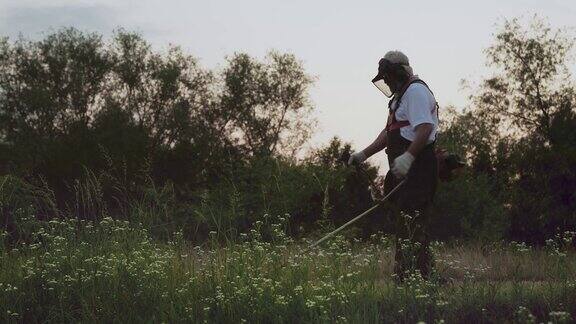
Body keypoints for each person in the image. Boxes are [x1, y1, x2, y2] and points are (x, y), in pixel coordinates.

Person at [348, 50, 439, 281]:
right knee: (404, 222)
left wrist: (408, 157)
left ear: (398, 72)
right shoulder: (399, 98)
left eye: (388, 77)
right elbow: (390, 132)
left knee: (414, 222)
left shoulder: (416, 91)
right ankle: (405, 276)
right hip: (404, 172)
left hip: (419, 169)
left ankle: (420, 278)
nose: (386, 81)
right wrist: (364, 154)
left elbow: (425, 128)